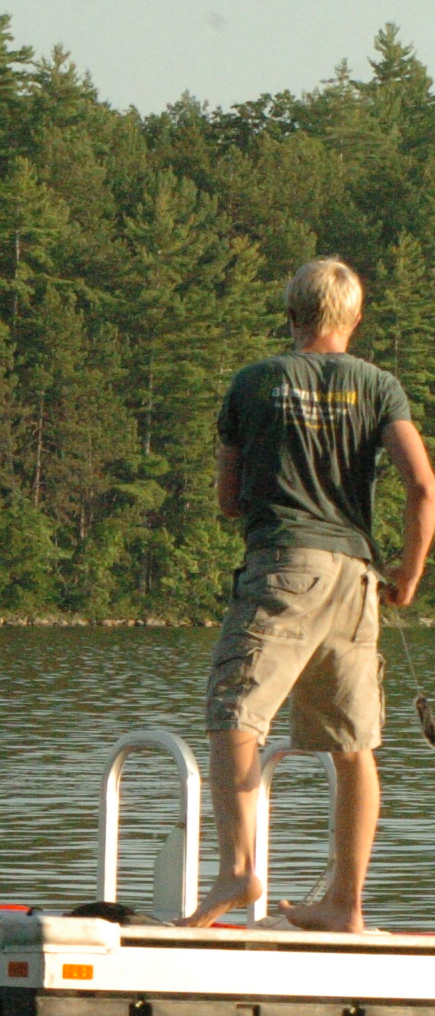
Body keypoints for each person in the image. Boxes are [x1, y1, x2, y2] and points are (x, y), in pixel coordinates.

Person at [185, 257, 435, 931]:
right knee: (353, 746)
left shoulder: (255, 382)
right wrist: (408, 575)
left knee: (234, 714)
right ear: (355, 318)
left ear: (292, 314)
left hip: (284, 567)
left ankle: (239, 870)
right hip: (357, 578)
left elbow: (229, 499)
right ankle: (346, 904)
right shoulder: (379, 387)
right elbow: (422, 486)